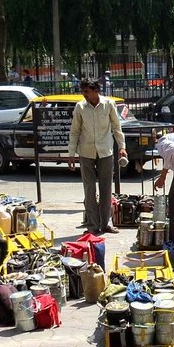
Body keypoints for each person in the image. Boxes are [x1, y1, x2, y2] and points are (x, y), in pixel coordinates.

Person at [68, 78, 127, 235]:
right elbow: (75, 131)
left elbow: (116, 126)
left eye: (87, 91)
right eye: (83, 92)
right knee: (89, 189)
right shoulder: (80, 107)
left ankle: (106, 224)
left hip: (106, 151)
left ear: (96, 91)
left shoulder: (108, 104)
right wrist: (71, 154)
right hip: (86, 152)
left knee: (106, 188)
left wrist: (122, 147)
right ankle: (92, 226)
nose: (84, 94)